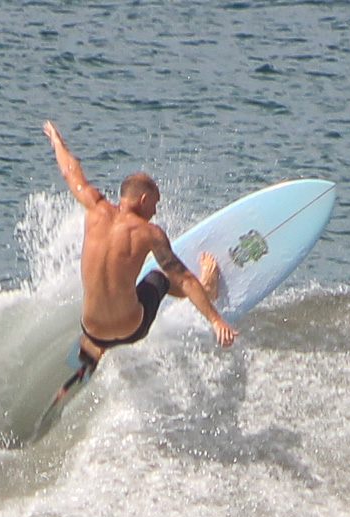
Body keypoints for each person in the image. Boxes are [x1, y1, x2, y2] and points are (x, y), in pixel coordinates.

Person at [42, 120, 237, 375]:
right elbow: (186, 279)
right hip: (131, 330)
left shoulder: (94, 209)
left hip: (91, 329)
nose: (155, 212)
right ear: (143, 199)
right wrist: (215, 319)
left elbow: (71, 172)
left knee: (113, 288)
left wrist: (57, 141)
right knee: (159, 277)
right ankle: (209, 290)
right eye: (154, 205)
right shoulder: (150, 233)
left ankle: (94, 348)